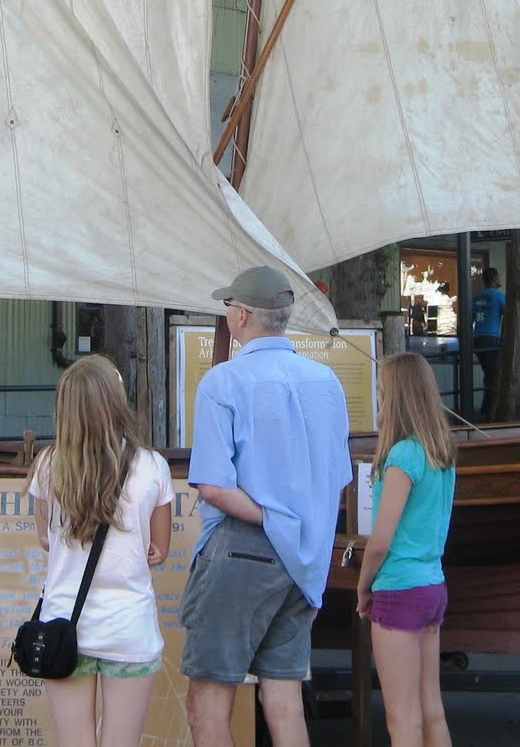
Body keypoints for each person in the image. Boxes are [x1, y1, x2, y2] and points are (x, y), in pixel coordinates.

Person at [182, 266, 351, 747]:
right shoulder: (328, 382)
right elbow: (337, 479)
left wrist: (271, 518)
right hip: (306, 557)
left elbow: (213, 486)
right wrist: (302, 541)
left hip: (243, 548)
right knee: (284, 703)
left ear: (239, 316)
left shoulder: (223, 382)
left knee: (208, 705)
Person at [27, 355, 172, 747]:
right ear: (115, 402)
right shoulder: (152, 466)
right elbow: (159, 548)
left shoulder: (47, 465)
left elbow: (44, 538)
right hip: (128, 628)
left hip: (63, 627)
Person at [355, 353, 457, 747]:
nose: (380, 399)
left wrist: (364, 587)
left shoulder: (402, 456)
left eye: (382, 392)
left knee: (402, 719)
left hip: (398, 589)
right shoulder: (441, 453)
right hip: (433, 586)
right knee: (432, 709)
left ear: (396, 397)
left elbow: (380, 541)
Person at [470, 268, 506, 410]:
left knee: (489, 374)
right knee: (495, 376)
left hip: (477, 338)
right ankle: (489, 410)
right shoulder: (499, 296)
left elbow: (470, 318)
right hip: (491, 338)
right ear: (495, 278)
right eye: (499, 276)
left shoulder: (476, 297)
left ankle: (488, 408)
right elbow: (509, 315)